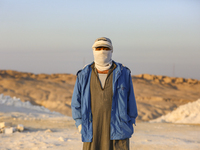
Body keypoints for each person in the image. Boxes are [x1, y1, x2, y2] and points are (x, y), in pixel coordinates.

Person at [71, 37, 138, 150]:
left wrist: (130, 124)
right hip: (92, 129)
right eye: (99, 48)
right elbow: (76, 102)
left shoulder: (123, 73)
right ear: (93, 51)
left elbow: (130, 101)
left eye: (106, 48)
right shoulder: (84, 75)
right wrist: (80, 124)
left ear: (111, 51)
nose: (102, 51)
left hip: (118, 129)